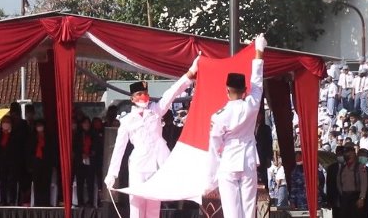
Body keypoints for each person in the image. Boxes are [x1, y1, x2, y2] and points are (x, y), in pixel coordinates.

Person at [104, 54, 200, 218]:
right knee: (137, 207)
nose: (144, 97)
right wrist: (112, 173)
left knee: (154, 209)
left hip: (157, 165)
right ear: (132, 98)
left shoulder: (156, 110)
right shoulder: (127, 121)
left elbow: (172, 93)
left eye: (145, 93)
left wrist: (190, 73)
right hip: (138, 166)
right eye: (139, 94)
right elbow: (119, 148)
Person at [209, 34, 266, 218]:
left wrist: (211, 178)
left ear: (227, 90)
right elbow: (257, 82)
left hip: (228, 161)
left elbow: (214, 145)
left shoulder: (219, 116)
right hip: (248, 159)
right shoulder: (252, 105)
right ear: (245, 90)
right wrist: (259, 51)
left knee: (232, 212)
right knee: (249, 210)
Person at [0, 115, 22, 206]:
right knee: (3, 181)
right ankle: (3, 200)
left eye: (8, 122)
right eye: (4, 122)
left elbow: (18, 147)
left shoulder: (16, 134)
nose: (5, 124)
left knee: (12, 181)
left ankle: (12, 200)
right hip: (2, 161)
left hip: (13, 161)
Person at [26, 119, 53, 206]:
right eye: (37, 126)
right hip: (36, 163)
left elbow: (52, 150)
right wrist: (29, 164)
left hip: (46, 163)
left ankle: (46, 202)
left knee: (46, 183)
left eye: (41, 125)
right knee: (37, 183)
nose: (39, 127)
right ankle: (37, 202)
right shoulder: (32, 137)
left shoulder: (48, 136)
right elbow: (29, 151)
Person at [336, 146, 368, 218]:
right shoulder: (342, 167)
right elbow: (338, 182)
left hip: (355, 196)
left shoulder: (360, 166)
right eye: (347, 152)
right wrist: (342, 193)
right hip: (345, 196)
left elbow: (364, 183)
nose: (349, 154)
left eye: (350, 152)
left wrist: (362, 198)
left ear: (354, 154)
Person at [74, 117, 97, 207]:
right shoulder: (78, 135)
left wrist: (90, 153)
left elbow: (96, 146)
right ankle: (80, 202)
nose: (86, 125)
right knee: (80, 182)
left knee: (90, 182)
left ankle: (91, 201)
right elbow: (75, 147)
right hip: (80, 162)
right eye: (84, 123)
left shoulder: (93, 134)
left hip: (90, 161)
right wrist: (81, 154)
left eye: (88, 123)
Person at [326, 146, 345, 217]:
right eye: (338, 154)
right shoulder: (331, 168)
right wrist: (329, 201)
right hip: (335, 200)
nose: (340, 156)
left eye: (342, 154)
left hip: (348, 200)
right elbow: (329, 185)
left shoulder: (349, 167)